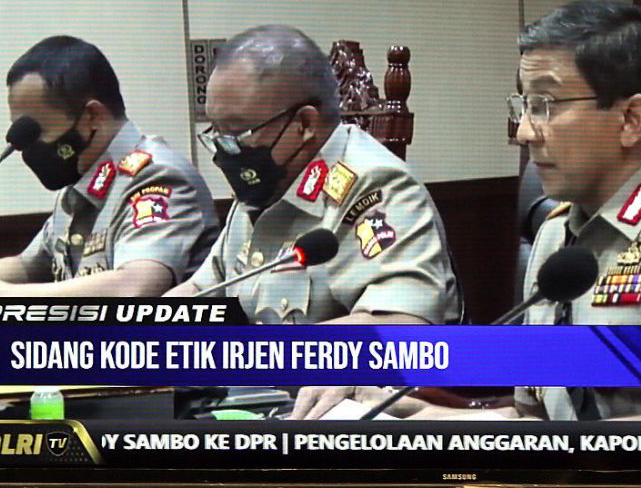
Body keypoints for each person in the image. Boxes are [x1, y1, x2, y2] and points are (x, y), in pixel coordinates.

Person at [293, 1, 641, 420]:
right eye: (525, 106)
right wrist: (403, 414)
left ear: (631, 119)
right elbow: (534, 419)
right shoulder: (558, 235)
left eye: (546, 106)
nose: (526, 131)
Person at [164, 25, 460, 325]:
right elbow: (203, 288)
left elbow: (403, 326)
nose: (223, 149)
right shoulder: (262, 186)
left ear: (304, 124)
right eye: (216, 131)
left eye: (237, 132)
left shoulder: (377, 186)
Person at [0, 36, 220, 298]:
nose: (29, 147)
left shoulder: (156, 176)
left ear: (92, 116)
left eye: (38, 131)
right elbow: (28, 265)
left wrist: (8, 296)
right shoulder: (82, 181)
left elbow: (135, 286)